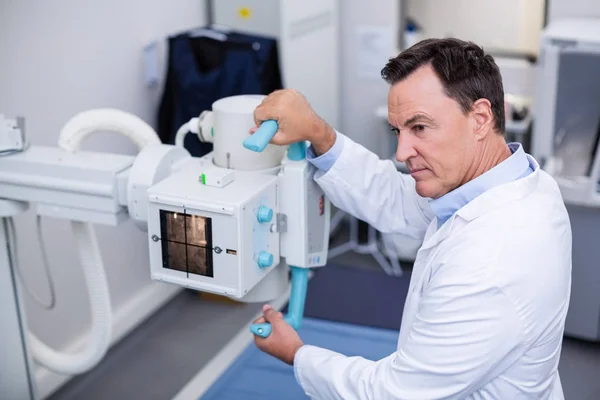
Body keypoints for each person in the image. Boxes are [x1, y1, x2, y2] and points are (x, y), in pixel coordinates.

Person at [250, 38, 572, 399]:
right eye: (398, 131)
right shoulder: (520, 181)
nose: (402, 152)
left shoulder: (492, 262)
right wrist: (319, 134)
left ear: (480, 118)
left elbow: (395, 393)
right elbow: (399, 198)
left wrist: (297, 355)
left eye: (419, 127)